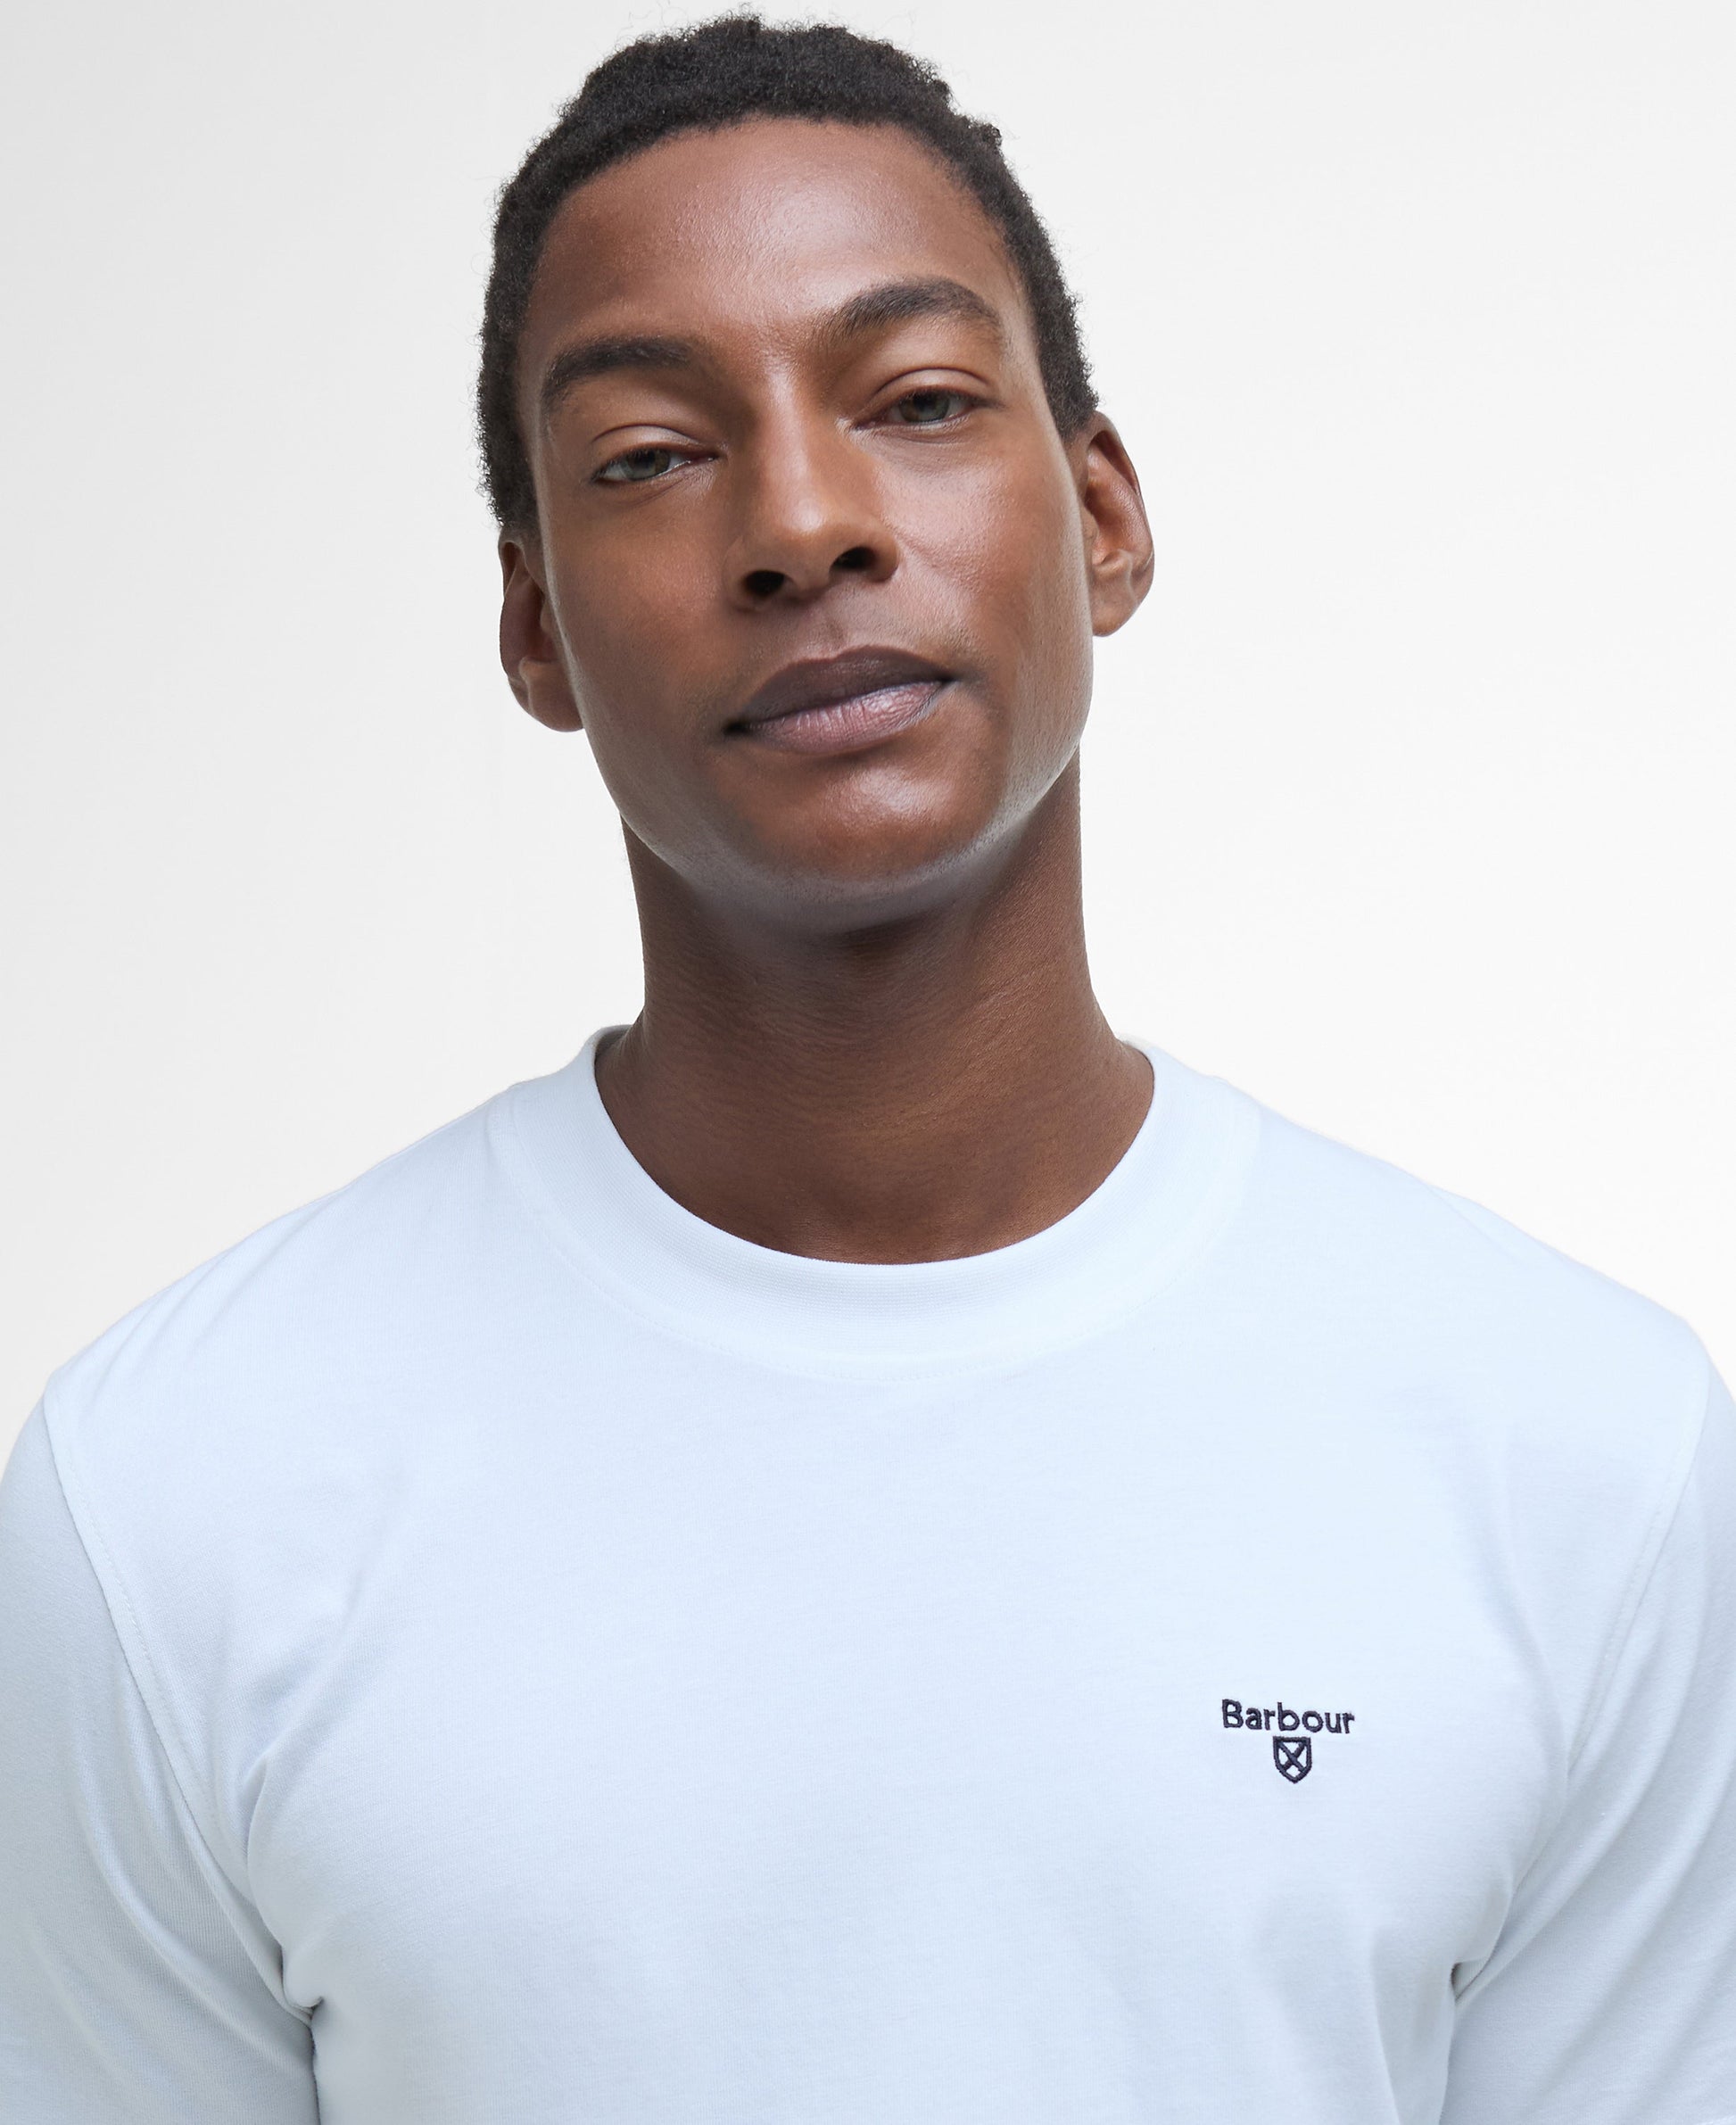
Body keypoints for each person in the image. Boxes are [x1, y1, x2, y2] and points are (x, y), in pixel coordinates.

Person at [2, 16, 1732, 2121]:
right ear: (535, 628)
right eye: (651, 454)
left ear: (1102, 516)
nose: (803, 523)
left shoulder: (1577, 1455)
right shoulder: (177, 1496)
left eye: (914, 403)